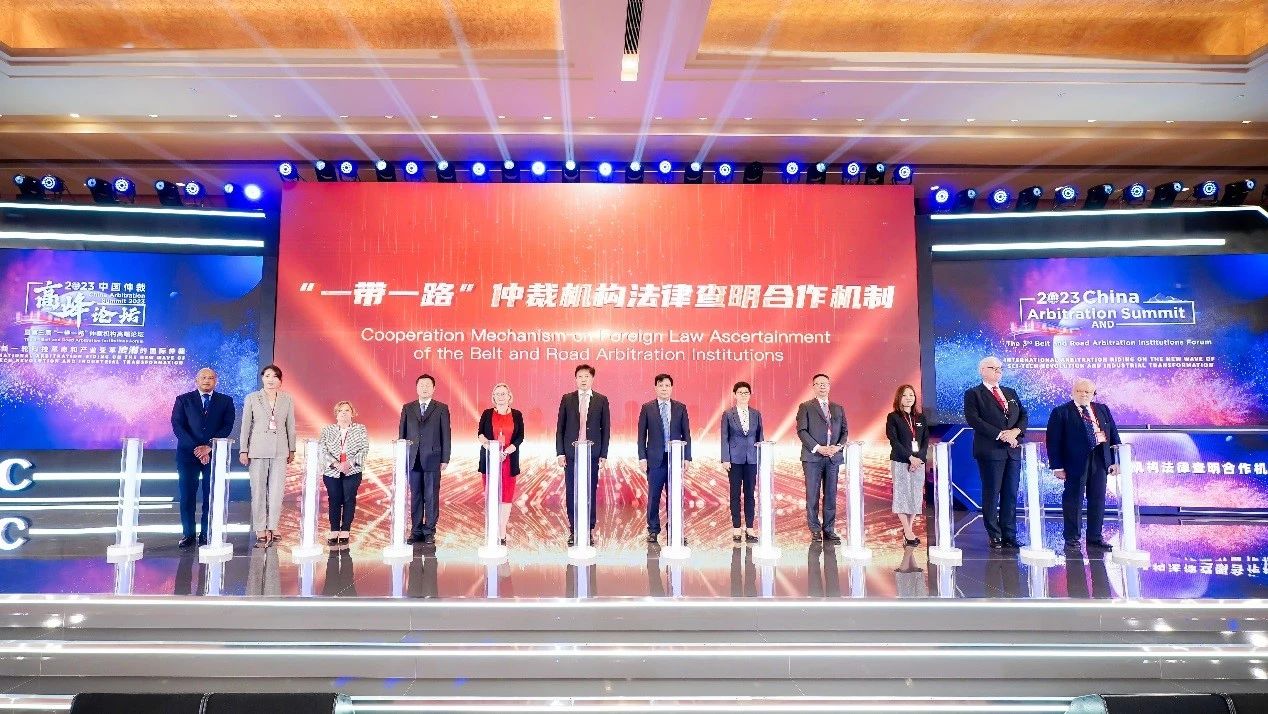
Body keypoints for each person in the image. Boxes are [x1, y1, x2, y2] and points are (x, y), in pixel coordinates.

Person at [1045, 377, 1121, 552]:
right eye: (1079, 391)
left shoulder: (1102, 409)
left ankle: (1095, 537)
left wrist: (1116, 461)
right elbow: (1053, 441)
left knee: (1098, 499)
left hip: (1100, 459)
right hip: (1073, 462)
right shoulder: (1061, 412)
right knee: (1073, 500)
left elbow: (1113, 435)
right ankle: (1072, 538)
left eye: (1087, 392)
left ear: (1093, 394)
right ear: (1073, 392)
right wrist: (1057, 466)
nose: (1083, 394)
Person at [963, 356, 1027, 550]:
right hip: (990, 451)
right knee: (992, 493)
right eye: (993, 368)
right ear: (982, 370)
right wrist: (1001, 435)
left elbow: (1023, 415)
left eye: (1000, 368)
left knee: (1010, 494)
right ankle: (995, 534)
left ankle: (1009, 535)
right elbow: (974, 420)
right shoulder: (974, 393)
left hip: (1012, 450)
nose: (998, 371)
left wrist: (1015, 432)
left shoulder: (1010, 392)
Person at [170, 367, 235, 548]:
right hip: (187, 455)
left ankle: (206, 533)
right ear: (196, 380)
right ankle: (188, 534)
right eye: (203, 377)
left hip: (213, 455)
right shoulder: (183, 400)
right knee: (187, 496)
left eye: (211, 378)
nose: (207, 380)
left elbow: (227, 426)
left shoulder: (225, 401)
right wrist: (197, 449)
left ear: (216, 381)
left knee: (210, 496)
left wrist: (208, 447)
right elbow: (178, 426)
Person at [239, 364, 297, 547]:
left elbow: (290, 425)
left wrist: (292, 449)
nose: (271, 380)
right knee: (258, 490)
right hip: (257, 449)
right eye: (267, 376)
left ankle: (273, 525)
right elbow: (245, 425)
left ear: (280, 380)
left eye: (275, 376)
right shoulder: (252, 398)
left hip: (280, 450)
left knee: (277, 490)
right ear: (262, 378)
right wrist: (243, 449)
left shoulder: (287, 399)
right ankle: (260, 527)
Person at [555, 364, 610, 547]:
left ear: (592, 378)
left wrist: (604, 453)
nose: (583, 379)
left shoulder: (601, 400)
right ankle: (574, 529)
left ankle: (588, 529)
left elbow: (606, 429)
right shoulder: (567, 399)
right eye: (580, 376)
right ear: (576, 379)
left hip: (592, 453)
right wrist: (560, 452)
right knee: (572, 491)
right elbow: (560, 428)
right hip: (571, 453)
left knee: (589, 492)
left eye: (587, 376)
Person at [637, 373, 692, 543]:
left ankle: (674, 529)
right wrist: (642, 457)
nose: (664, 388)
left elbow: (687, 434)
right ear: (655, 387)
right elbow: (641, 436)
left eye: (667, 385)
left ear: (671, 388)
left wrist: (687, 457)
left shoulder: (680, 408)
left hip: (675, 458)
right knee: (654, 496)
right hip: (655, 459)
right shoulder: (647, 408)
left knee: (674, 496)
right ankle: (653, 530)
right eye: (660, 385)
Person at [398, 374, 451, 545]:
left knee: (431, 495)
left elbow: (446, 434)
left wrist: (445, 458)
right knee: (416, 496)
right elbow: (402, 434)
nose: (425, 388)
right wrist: (402, 456)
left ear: (434, 388)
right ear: (416, 388)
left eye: (428, 385)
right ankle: (416, 531)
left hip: (433, 458)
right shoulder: (407, 408)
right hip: (413, 458)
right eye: (421, 385)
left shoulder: (441, 408)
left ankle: (429, 531)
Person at [796, 373, 848, 543]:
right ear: (813, 387)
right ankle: (815, 529)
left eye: (825, 383)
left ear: (829, 386)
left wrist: (837, 447)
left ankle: (829, 529)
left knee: (831, 495)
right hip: (813, 457)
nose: (822, 386)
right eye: (818, 383)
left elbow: (844, 432)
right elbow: (802, 431)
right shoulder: (805, 406)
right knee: (812, 495)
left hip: (833, 457)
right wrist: (819, 448)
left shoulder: (838, 408)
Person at [478, 383, 525, 546]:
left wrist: (505, 452)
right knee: (491, 495)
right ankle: (492, 530)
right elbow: (480, 434)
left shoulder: (517, 414)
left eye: (503, 393)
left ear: (509, 396)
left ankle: (502, 532)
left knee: (506, 497)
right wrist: (491, 449)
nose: (500, 396)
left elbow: (520, 437)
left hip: (509, 461)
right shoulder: (487, 413)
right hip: (490, 460)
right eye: (497, 394)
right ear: (493, 397)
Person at [318, 401, 369, 546]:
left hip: (353, 470)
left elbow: (364, 449)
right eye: (340, 410)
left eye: (347, 410)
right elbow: (322, 449)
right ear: (336, 414)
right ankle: (334, 530)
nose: (344, 413)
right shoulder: (327, 430)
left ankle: (345, 529)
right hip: (332, 470)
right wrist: (336, 464)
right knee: (334, 499)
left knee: (349, 499)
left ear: (352, 413)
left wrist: (349, 464)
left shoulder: (360, 429)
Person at [885, 384, 929, 546]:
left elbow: (925, 441)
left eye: (911, 395)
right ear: (899, 398)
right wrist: (910, 458)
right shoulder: (893, 417)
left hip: (919, 463)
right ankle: (908, 531)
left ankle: (908, 531)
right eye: (905, 395)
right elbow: (894, 440)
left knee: (915, 497)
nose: (909, 398)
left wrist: (918, 459)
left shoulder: (921, 418)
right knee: (902, 496)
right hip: (900, 461)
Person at [720, 381, 763, 543]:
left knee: (750, 494)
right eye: (740, 393)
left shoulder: (756, 414)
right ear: (735, 395)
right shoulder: (728, 414)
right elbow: (724, 437)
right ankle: (736, 528)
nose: (743, 395)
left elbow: (760, 437)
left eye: (746, 393)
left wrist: (761, 457)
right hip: (734, 460)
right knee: (735, 494)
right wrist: (725, 458)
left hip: (751, 459)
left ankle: (750, 528)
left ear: (750, 395)